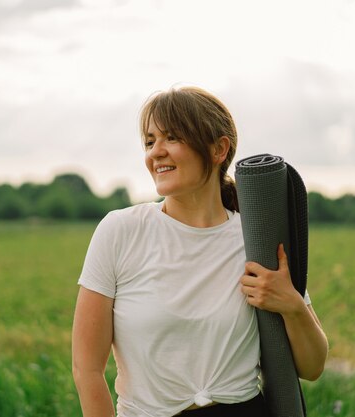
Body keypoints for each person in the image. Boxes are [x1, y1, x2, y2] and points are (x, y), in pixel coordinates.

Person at [72, 86, 328, 417]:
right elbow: (87, 370)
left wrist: (292, 306)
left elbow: (312, 367)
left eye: (172, 138)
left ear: (219, 149)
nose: (156, 152)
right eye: (150, 142)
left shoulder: (257, 239)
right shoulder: (120, 231)